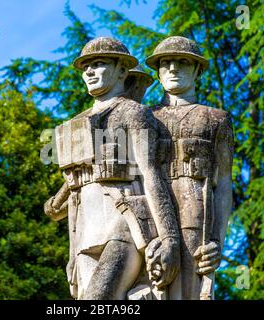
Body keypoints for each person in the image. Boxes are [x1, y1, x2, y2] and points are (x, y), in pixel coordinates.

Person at [45, 37, 180, 299]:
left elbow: (150, 173)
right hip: (85, 232)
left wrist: (170, 239)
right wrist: (54, 204)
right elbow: (77, 182)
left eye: (99, 64)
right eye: (86, 66)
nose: (90, 71)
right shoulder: (77, 122)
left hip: (123, 223)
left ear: (121, 70)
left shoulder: (133, 112)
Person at [145, 36, 234, 300]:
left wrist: (217, 241)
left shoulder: (216, 119)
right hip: (148, 218)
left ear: (197, 70)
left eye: (182, 62)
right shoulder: (143, 117)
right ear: (158, 72)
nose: (173, 68)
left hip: (196, 217)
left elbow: (224, 183)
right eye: (166, 63)